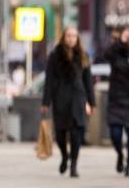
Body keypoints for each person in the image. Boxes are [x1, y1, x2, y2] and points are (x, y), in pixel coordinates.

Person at [41, 27, 96, 179]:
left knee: (77, 133)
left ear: (77, 38)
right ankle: (64, 156)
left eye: (74, 36)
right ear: (63, 37)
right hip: (61, 98)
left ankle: (74, 164)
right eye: (68, 36)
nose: (71, 39)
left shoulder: (83, 56)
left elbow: (88, 81)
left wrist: (91, 102)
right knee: (60, 133)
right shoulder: (55, 56)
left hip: (78, 98)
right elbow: (49, 80)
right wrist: (46, 101)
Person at [104, 25, 129, 178]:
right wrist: (119, 43)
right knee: (115, 134)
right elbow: (106, 55)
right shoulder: (115, 50)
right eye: (124, 35)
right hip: (117, 96)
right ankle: (120, 154)